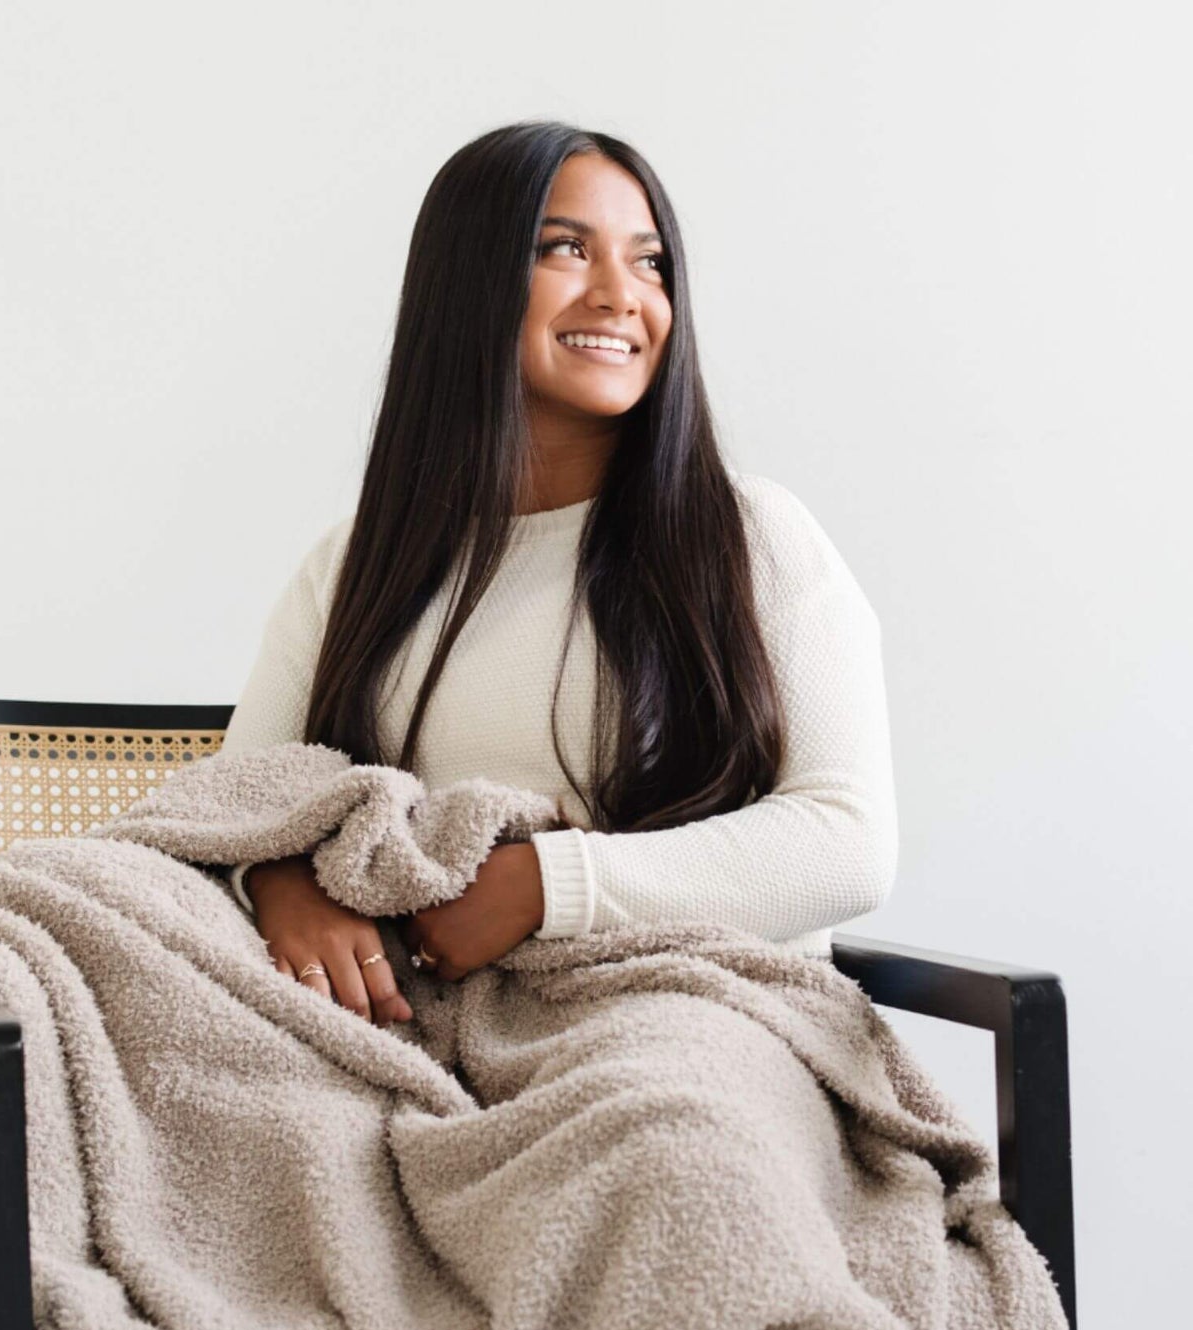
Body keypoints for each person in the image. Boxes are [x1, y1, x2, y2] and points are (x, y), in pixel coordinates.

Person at [218, 121, 897, 1033]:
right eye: (566, 249)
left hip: (694, 1018)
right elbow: (238, 802)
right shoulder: (352, 566)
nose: (623, 295)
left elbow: (847, 845)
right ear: (468, 286)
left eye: (650, 262)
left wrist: (546, 884)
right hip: (422, 1032)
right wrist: (276, 881)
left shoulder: (751, 535)